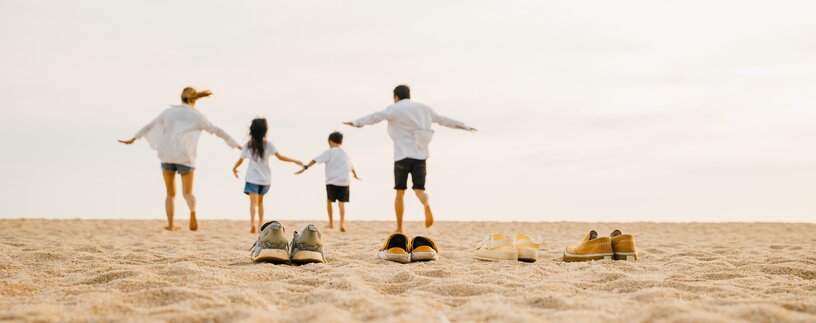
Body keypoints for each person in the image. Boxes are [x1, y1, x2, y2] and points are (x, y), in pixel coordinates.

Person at [344, 85, 475, 233]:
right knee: (419, 190)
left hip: (402, 156)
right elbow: (443, 120)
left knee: (400, 192)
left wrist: (356, 123)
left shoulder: (394, 108)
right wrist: (464, 126)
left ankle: (399, 227)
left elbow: (375, 116)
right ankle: (426, 205)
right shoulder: (424, 108)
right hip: (420, 156)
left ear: (395, 97)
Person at [119, 87, 242, 231]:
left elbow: (150, 125)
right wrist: (236, 144)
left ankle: (171, 225)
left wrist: (133, 138)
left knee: (170, 194)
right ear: (194, 100)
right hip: (186, 157)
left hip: (167, 154)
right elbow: (217, 131)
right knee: (188, 193)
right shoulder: (198, 116)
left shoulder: (168, 112)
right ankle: (193, 212)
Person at [232, 118, 304, 233]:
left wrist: (234, 168)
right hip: (265, 179)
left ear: (252, 130)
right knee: (260, 202)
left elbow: (240, 160)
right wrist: (294, 161)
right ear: (265, 131)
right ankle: (260, 224)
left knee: (252, 203)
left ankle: (252, 224)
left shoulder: (248, 145)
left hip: (252, 178)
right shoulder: (269, 144)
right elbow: (280, 157)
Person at [295, 131, 360, 232]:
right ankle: (342, 224)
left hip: (332, 181)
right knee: (341, 203)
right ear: (341, 142)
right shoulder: (345, 153)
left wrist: (305, 167)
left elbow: (315, 160)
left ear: (330, 141)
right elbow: (351, 166)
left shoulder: (329, 152)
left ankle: (331, 223)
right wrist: (355, 175)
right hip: (344, 181)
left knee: (329, 201)